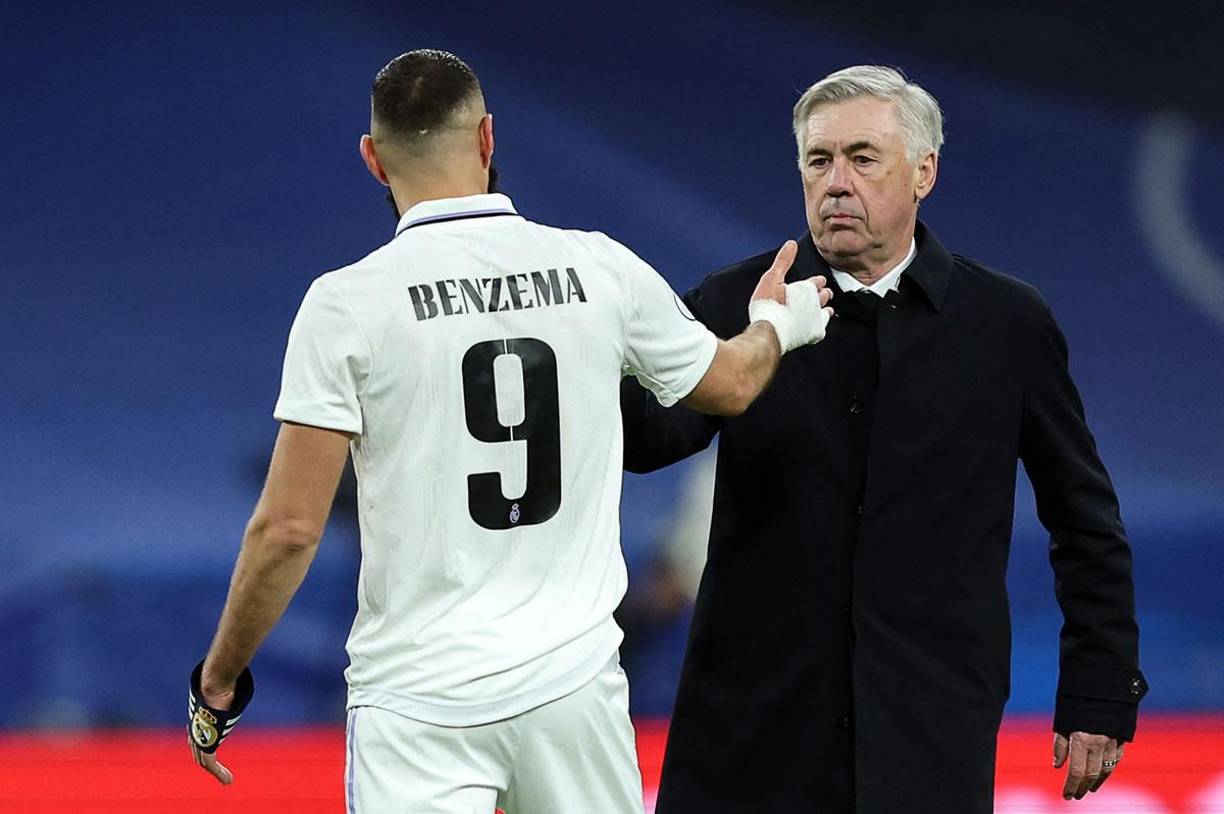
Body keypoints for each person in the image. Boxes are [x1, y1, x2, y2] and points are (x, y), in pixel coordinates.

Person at [184, 49, 833, 813]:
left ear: (372, 159)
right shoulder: (596, 266)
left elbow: (289, 528)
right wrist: (777, 327)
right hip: (573, 688)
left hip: (420, 704)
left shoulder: (346, 305)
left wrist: (219, 679)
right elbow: (729, 384)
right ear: (488, 138)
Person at [620, 65, 1147, 812]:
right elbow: (649, 439)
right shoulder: (740, 302)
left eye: (863, 159)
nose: (836, 183)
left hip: (925, 737)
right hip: (750, 738)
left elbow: (1084, 518)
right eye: (819, 160)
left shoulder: (1003, 324)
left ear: (923, 172)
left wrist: (1101, 685)